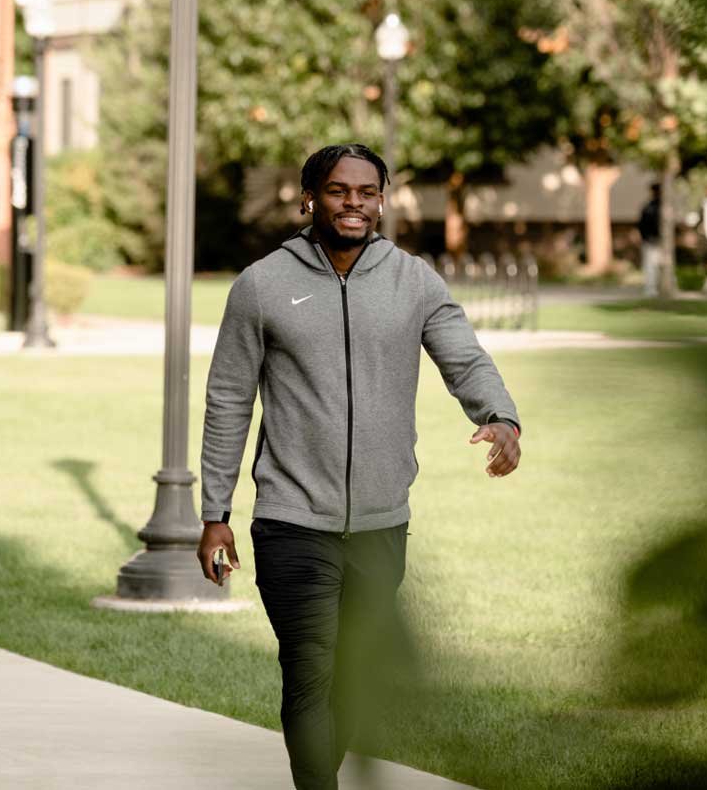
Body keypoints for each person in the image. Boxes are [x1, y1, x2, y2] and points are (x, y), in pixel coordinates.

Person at [196, 143, 522, 790]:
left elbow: (464, 356)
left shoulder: (414, 281)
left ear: (382, 199)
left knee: (352, 679)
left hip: (381, 521)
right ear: (308, 198)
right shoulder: (263, 285)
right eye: (340, 190)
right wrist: (215, 514)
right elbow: (228, 399)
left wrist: (502, 416)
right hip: (292, 520)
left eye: (367, 191)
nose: (354, 203)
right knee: (310, 669)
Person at [638, 182, 663, 297]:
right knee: (651, 267)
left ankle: (657, 288)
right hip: (650, 241)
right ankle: (651, 289)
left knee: (657, 266)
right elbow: (642, 225)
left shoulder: (662, 207)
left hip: (658, 241)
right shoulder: (649, 207)